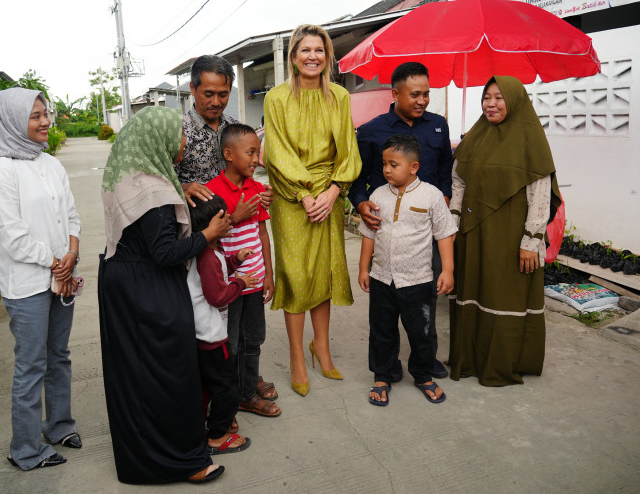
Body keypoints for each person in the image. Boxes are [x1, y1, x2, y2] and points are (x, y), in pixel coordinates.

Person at [98, 107, 230, 484]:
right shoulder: (154, 193)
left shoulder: (130, 174)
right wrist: (210, 234)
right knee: (168, 373)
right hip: (147, 291)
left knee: (136, 377)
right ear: (160, 139)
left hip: (124, 282)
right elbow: (165, 252)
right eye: (181, 136)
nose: (185, 144)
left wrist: (180, 186)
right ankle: (183, 461)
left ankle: (145, 457)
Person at [0, 88, 81, 470]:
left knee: (59, 357)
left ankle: (59, 424)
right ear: (12, 120)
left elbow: (71, 215)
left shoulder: (50, 163)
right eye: (35, 116)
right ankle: (25, 449)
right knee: (31, 365)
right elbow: (11, 234)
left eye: (45, 114)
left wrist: (70, 254)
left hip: (60, 274)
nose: (46, 121)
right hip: (28, 285)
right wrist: (57, 263)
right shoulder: (1, 169)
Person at [263, 24, 362, 396]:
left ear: (327, 56)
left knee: (323, 273)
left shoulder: (339, 96)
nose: (312, 57)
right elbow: (276, 152)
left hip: (330, 195)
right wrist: (305, 195)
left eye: (319, 50)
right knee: (295, 276)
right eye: (305, 50)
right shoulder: (276, 98)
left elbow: (349, 151)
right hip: (292, 199)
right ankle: (296, 357)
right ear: (293, 56)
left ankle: (321, 347)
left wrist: (335, 191)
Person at [448, 76, 562, 387]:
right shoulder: (475, 137)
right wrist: (454, 222)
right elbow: (458, 180)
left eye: (499, 97)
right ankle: (470, 358)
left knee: (504, 293)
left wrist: (531, 241)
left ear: (514, 101)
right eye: (486, 97)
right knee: (474, 289)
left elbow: (540, 193)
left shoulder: (530, 140)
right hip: (473, 230)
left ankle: (502, 362)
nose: (491, 103)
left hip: (512, 233)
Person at [177, 54, 278, 401]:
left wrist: (260, 199)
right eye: (208, 93)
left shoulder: (234, 126)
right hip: (198, 244)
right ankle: (217, 390)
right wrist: (182, 187)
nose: (216, 101)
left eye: (222, 93)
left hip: (240, 242)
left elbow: (250, 173)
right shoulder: (178, 133)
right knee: (209, 324)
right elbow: (155, 181)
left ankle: (244, 381)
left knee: (243, 325)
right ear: (193, 89)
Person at [349, 61, 453, 380]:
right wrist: (361, 202)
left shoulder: (438, 126)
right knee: (386, 302)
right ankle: (387, 362)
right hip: (387, 228)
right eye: (415, 94)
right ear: (395, 93)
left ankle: (426, 356)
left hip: (426, 228)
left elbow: (447, 171)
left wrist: (445, 200)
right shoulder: (371, 131)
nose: (422, 100)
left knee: (425, 295)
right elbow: (357, 179)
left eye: (427, 94)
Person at [358, 135, 456, 406]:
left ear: (413, 167)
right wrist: (364, 267)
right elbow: (369, 232)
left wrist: (447, 270)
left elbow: (445, 234)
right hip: (382, 278)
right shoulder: (378, 194)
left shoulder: (432, 196)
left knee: (421, 330)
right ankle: (382, 374)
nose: (387, 169)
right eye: (384, 164)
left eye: (394, 164)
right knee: (381, 329)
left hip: (418, 279)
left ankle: (423, 375)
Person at [206, 124, 281, 417]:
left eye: (257, 152)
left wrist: (268, 275)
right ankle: (230, 396)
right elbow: (208, 239)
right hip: (229, 285)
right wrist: (235, 217)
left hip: (254, 282)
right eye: (250, 152)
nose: (255, 159)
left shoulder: (257, 189)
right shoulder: (212, 192)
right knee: (230, 344)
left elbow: (263, 233)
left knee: (254, 339)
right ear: (228, 154)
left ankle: (247, 392)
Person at [187, 195, 256, 455]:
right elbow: (217, 296)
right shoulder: (208, 256)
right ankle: (217, 435)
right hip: (213, 337)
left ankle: (200, 428)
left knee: (207, 386)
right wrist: (240, 283)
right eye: (224, 217)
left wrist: (235, 259)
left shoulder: (208, 251)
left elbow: (218, 272)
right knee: (228, 388)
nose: (230, 220)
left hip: (200, 335)